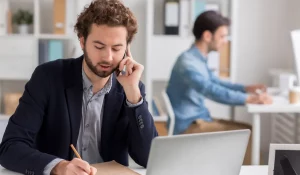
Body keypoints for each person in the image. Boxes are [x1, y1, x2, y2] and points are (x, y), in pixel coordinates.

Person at [0, 0, 158, 175]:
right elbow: (10, 147)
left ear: (127, 49)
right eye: (99, 46)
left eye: (116, 48)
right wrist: (58, 166)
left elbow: (149, 158)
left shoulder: (131, 88)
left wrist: (133, 96)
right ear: (82, 42)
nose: (108, 57)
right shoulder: (47, 77)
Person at [166, 11, 272, 164]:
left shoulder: (197, 58)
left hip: (199, 119)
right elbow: (210, 90)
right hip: (189, 126)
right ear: (208, 36)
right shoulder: (188, 63)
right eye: (222, 36)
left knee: (248, 130)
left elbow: (216, 82)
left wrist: (245, 89)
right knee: (247, 135)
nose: (225, 41)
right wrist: (249, 99)